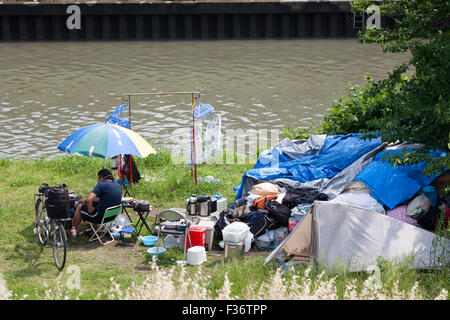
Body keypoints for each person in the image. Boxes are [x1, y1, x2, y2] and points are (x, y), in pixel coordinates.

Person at [72, 168, 122, 237]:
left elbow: (90, 199)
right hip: (112, 216)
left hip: (100, 217)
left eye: (98, 178)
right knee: (93, 205)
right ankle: (95, 231)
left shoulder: (101, 185)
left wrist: (90, 209)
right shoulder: (118, 185)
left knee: (79, 207)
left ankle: (73, 232)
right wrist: (86, 200)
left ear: (101, 177)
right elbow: (101, 199)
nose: (98, 180)